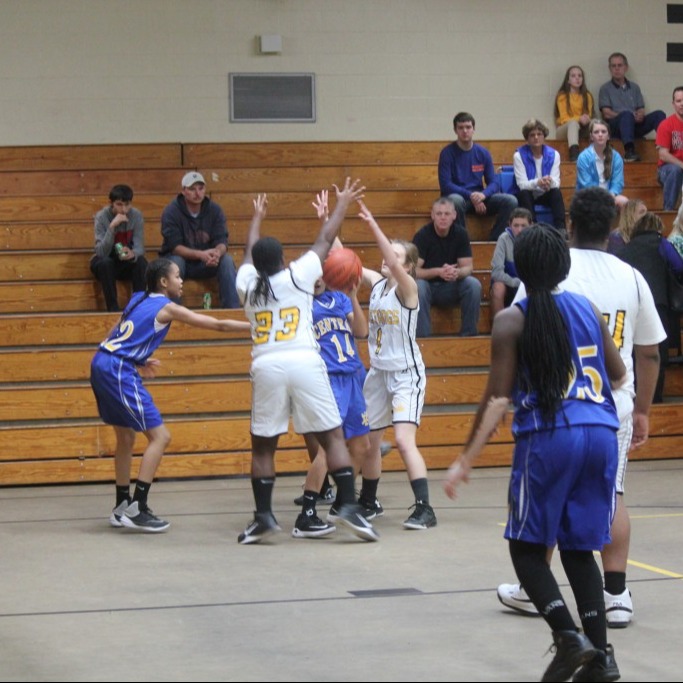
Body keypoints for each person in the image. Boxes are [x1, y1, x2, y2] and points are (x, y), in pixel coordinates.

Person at [445, 223, 627, 683]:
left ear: (518, 268)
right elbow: (620, 373)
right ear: (563, 265)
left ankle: (569, 639)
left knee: (527, 550)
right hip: (602, 434)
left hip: (552, 437)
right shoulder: (587, 308)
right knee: (580, 549)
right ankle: (602, 658)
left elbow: (496, 399)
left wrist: (466, 457)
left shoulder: (512, 319)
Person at [497, 188, 666, 634]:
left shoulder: (553, 272)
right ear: (614, 228)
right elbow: (648, 354)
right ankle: (615, 594)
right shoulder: (630, 276)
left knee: (550, 500)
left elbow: (517, 331)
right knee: (614, 496)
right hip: (614, 404)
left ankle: (535, 587)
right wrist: (644, 409)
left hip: (559, 406)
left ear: (569, 223)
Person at [235, 180, 379, 545]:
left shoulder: (246, 285)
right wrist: (342, 204)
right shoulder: (297, 277)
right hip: (304, 361)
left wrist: (255, 217)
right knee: (333, 436)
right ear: (282, 261)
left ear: (255, 266)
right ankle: (347, 505)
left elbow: (249, 252)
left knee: (264, 447)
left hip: (267, 365)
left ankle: (264, 516)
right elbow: (325, 240)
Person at [90, 258, 251, 532]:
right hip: (117, 368)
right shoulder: (167, 307)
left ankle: (121, 506)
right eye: (177, 276)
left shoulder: (138, 298)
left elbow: (116, 331)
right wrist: (256, 328)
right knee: (161, 436)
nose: (181, 280)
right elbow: (216, 324)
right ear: (163, 282)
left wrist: (136, 358)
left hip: (102, 360)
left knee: (126, 437)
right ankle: (137, 507)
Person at [291, 190, 377, 538]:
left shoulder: (340, 299)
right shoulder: (301, 306)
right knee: (331, 449)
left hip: (353, 378)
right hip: (327, 381)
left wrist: (354, 295)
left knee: (362, 446)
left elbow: (362, 330)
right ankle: (307, 512)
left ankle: (344, 502)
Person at [358, 200, 436, 530]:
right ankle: (368, 501)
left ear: (408, 266)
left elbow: (391, 259)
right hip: (378, 373)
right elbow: (344, 260)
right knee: (368, 442)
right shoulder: (377, 284)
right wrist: (327, 219)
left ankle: (425, 508)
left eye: (396, 256)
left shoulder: (408, 290)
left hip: (406, 375)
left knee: (403, 440)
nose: (387, 258)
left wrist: (373, 222)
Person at [618, 211, 683, 403]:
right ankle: (655, 400)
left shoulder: (626, 249)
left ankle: (633, 397)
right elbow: (679, 267)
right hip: (657, 305)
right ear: (657, 229)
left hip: (630, 307)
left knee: (631, 353)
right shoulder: (661, 243)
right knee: (657, 354)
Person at [159, 171, 240, 309]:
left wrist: (217, 253)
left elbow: (222, 240)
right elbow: (174, 247)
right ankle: (173, 312)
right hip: (183, 261)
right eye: (192, 189)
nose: (197, 193)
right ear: (183, 191)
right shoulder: (171, 211)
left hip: (208, 262)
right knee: (174, 264)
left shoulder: (215, 210)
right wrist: (201, 255)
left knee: (226, 260)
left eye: (201, 188)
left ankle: (232, 310)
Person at [438, 111, 518, 241]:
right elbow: (446, 185)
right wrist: (472, 196)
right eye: (461, 128)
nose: (465, 131)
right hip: (461, 199)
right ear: (455, 130)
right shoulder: (447, 153)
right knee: (454, 200)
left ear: (474, 129)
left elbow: (494, 182)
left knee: (511, 201)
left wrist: (483, 195)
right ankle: (462, 242)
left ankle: (495, 240)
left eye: (468, 127)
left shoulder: (483, 153)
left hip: (480, 197)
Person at [412, 197, 481, 337]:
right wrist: (438, 271)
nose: (443, 217)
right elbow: (413, 271)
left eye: (447, 214)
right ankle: (423, 338)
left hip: (451, 287)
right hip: (428, 289)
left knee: (473, 284)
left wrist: (457, 272)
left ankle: (469, 335)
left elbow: (468, 267)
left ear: (454, 215)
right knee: (418, 286)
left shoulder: (461, 234)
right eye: (439, 214)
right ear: (432, 215)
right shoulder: (422, 236)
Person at [598, 52, 666, 162]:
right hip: (616, 127)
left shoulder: (634, 87)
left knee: (659, 114)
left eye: (620, 65)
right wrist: (627, 115)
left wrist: (640, 115)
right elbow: (606, 113)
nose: (616, 69)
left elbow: (640, 108)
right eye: (613, 66)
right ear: (609, 68)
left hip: (634, 125)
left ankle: (667, 146)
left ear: (626, 67)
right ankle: (629, 151)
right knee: (626, 114)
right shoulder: (605, 88)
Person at [90, 184, 148, 312]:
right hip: (105, 260)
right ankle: (113, 309)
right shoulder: (102, 217)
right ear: (111, 203)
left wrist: (133, 253)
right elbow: (101, 252)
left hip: (125, 260)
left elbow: (140, 247)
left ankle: (139, 307)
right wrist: (112, 227)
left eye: (127, 204)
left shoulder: (136, 216)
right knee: (106, 263)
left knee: (141, 262)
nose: (124, 209)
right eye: (119, 204)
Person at [512, 119, 566, 232]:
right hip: (528, 194)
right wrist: (538, 182)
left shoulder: (554, 154)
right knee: (524, 193)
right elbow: (522, 184)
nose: (536, 137)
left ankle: (561, 229)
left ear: (544, 136)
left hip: (545, 192)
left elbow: (556, 182)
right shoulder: (519, 155)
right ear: (527, 138)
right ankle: (533, 228)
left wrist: (549, 183)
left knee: (556, 192)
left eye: (539, 134)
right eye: (532, 135)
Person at [576, 119, 629, 210]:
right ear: (591, 137)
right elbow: (586, 184)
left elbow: (618, 182)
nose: (600, 135)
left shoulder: (616, 157)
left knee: (624, 201)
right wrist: (602, 198)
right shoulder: (583, 157)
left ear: (608, 136)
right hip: (589, 197)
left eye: (603, 132)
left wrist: (611, 195)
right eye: (596, 132)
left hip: (610, 196)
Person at [489, 208, 532, 319]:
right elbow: (496, 272)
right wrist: (517, 283)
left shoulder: (536, 240)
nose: (519, 230)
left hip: (529, 285)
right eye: (516, 225)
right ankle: (499, 330)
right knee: (498, 287)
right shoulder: (503, 239)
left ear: (531, 225)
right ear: (509, 225)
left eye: (524, 226)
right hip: (509, 284)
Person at [555, 65, 595, 161]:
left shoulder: (587, 96)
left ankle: (601, 151)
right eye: (573, 76)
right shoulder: (562, 96)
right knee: (573, 123)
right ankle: (574, 155)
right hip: (565, 129)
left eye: (579, 76)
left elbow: (588, 115)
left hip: (582, 128)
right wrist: (579, 119)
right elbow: (564, 118)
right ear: (568, 80)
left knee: (596, 123)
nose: (577, 78)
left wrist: (587, 119)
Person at [656, 86, 683, 210]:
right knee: (675, 170)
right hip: (667, 170)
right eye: (678, 101)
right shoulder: (666, 124)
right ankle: (668, 211)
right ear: (673, 104)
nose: (682, 104)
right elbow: (663, 155)